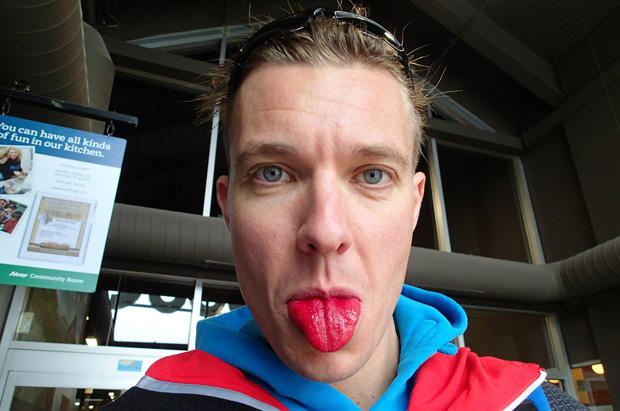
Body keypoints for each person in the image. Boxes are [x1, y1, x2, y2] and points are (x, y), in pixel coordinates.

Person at [105, 7, 586, 411]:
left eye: (372, 175)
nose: (325, 231)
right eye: (272, 173)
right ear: (228, 209)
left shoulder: (535, 404)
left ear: (414, 205)